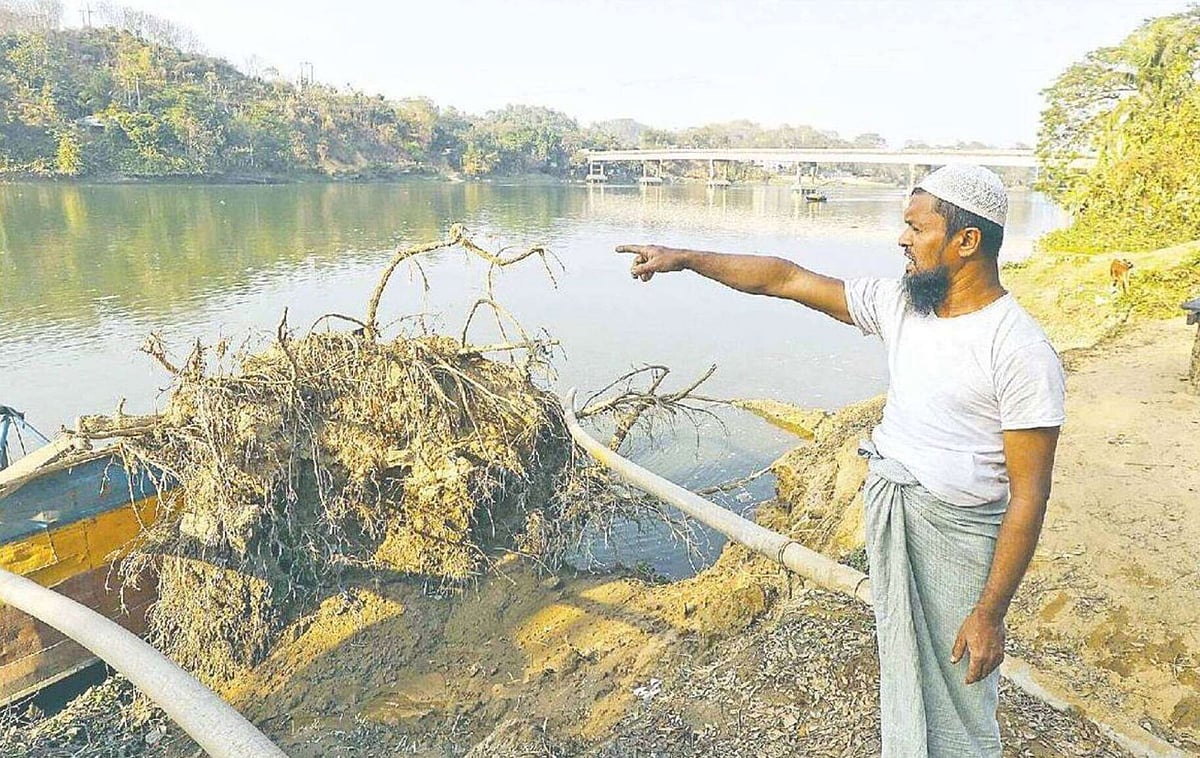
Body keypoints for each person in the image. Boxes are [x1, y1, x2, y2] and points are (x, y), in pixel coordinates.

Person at [616, 164, 1065, 758]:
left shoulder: (1020, 349)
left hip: (961, 539)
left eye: (916, 227)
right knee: (903, 661)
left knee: (960, 688)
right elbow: (786, 278)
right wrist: (685, 257)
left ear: (967, 241)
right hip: (897, 516)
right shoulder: (904, 306)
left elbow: (1029, 494)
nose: (902, 240)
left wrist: (991, 611)